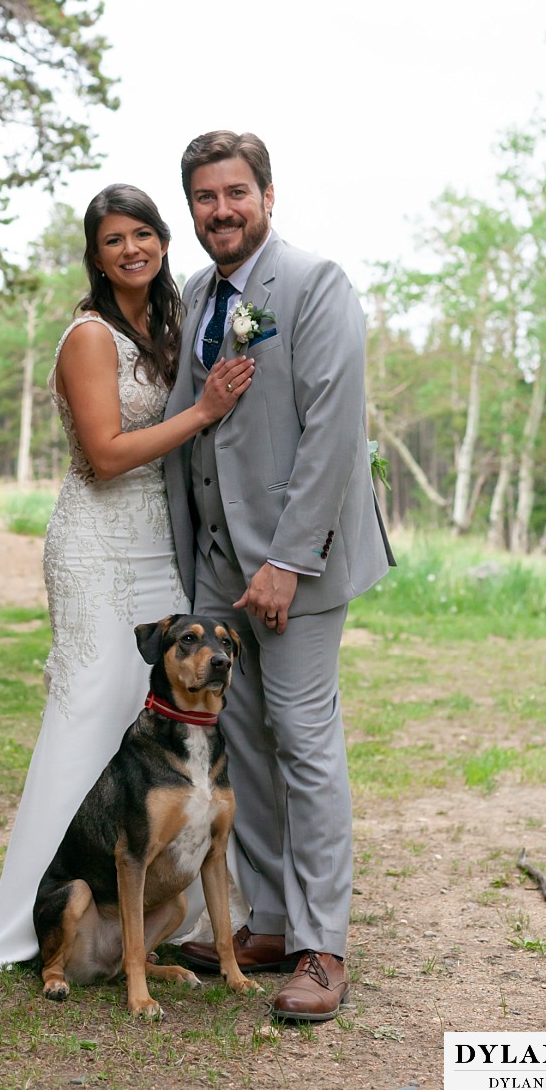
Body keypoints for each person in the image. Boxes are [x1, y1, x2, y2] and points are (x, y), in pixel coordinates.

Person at [0, 183, 254, 971]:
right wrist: (204, 413)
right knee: (90, 711)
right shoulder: (91, 336)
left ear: (163, 241)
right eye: (113, 239)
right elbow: (105, 453)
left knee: (149, 705)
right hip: (96, 541)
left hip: (155, 541)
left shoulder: (167, 325)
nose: (132, 249)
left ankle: (151, 910)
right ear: (95, 256)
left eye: (144, 234)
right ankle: (36, 919)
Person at [163, 131, 395, 1022]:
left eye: (235, 193)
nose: (221, 211)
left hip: (299, 567)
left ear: (266, 194)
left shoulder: (314, 284)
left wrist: (288, 563)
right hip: (220, 573)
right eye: (204, 198)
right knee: (245, 749)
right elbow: (199, 428)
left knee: (303, 746)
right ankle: (268, 921)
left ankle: (323, 946)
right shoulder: (196, 293)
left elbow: (334, 434)